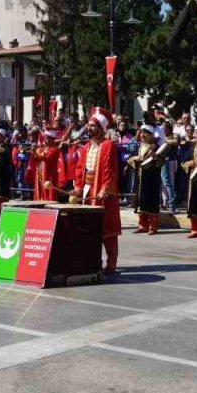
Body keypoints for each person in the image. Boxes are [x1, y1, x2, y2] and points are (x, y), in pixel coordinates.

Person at [77, 108, 121, 273]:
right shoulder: (86, 147)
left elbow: (110, 170)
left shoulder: (108, 145)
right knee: (90, 229)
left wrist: (105, 189)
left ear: (101, 128)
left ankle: (111, 264)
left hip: (103, 192)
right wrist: (77, 188)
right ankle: (93, 262)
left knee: (107, 230)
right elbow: (80, 168)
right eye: (88, 126)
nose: (89, 129)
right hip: (88, 190)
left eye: (93, 126)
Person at [128, 124, 163, 235]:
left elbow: (162, 162)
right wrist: (135, 159)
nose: (142, 135)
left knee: (151, 200)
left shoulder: (156, 147)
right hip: (140, 176)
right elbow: (130, 159)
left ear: (151, 135)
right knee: (140, 200)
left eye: (145, 133)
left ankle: (153, 226)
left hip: (151, 178)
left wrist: (156, 157)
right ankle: (143, 225)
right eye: (141, 133)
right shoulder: (139, 147)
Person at [32, 126, 64, 202]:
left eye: (47, 138)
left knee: (48, 195)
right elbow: (36, 159)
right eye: (45, 138)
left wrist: (35, 152)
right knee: (40, 194)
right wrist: (34, 153)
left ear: (52, 139)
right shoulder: (43, 149)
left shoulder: (55, 150)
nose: (45, 140)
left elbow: (46, 157)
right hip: (40, 176)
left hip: (49, 177)